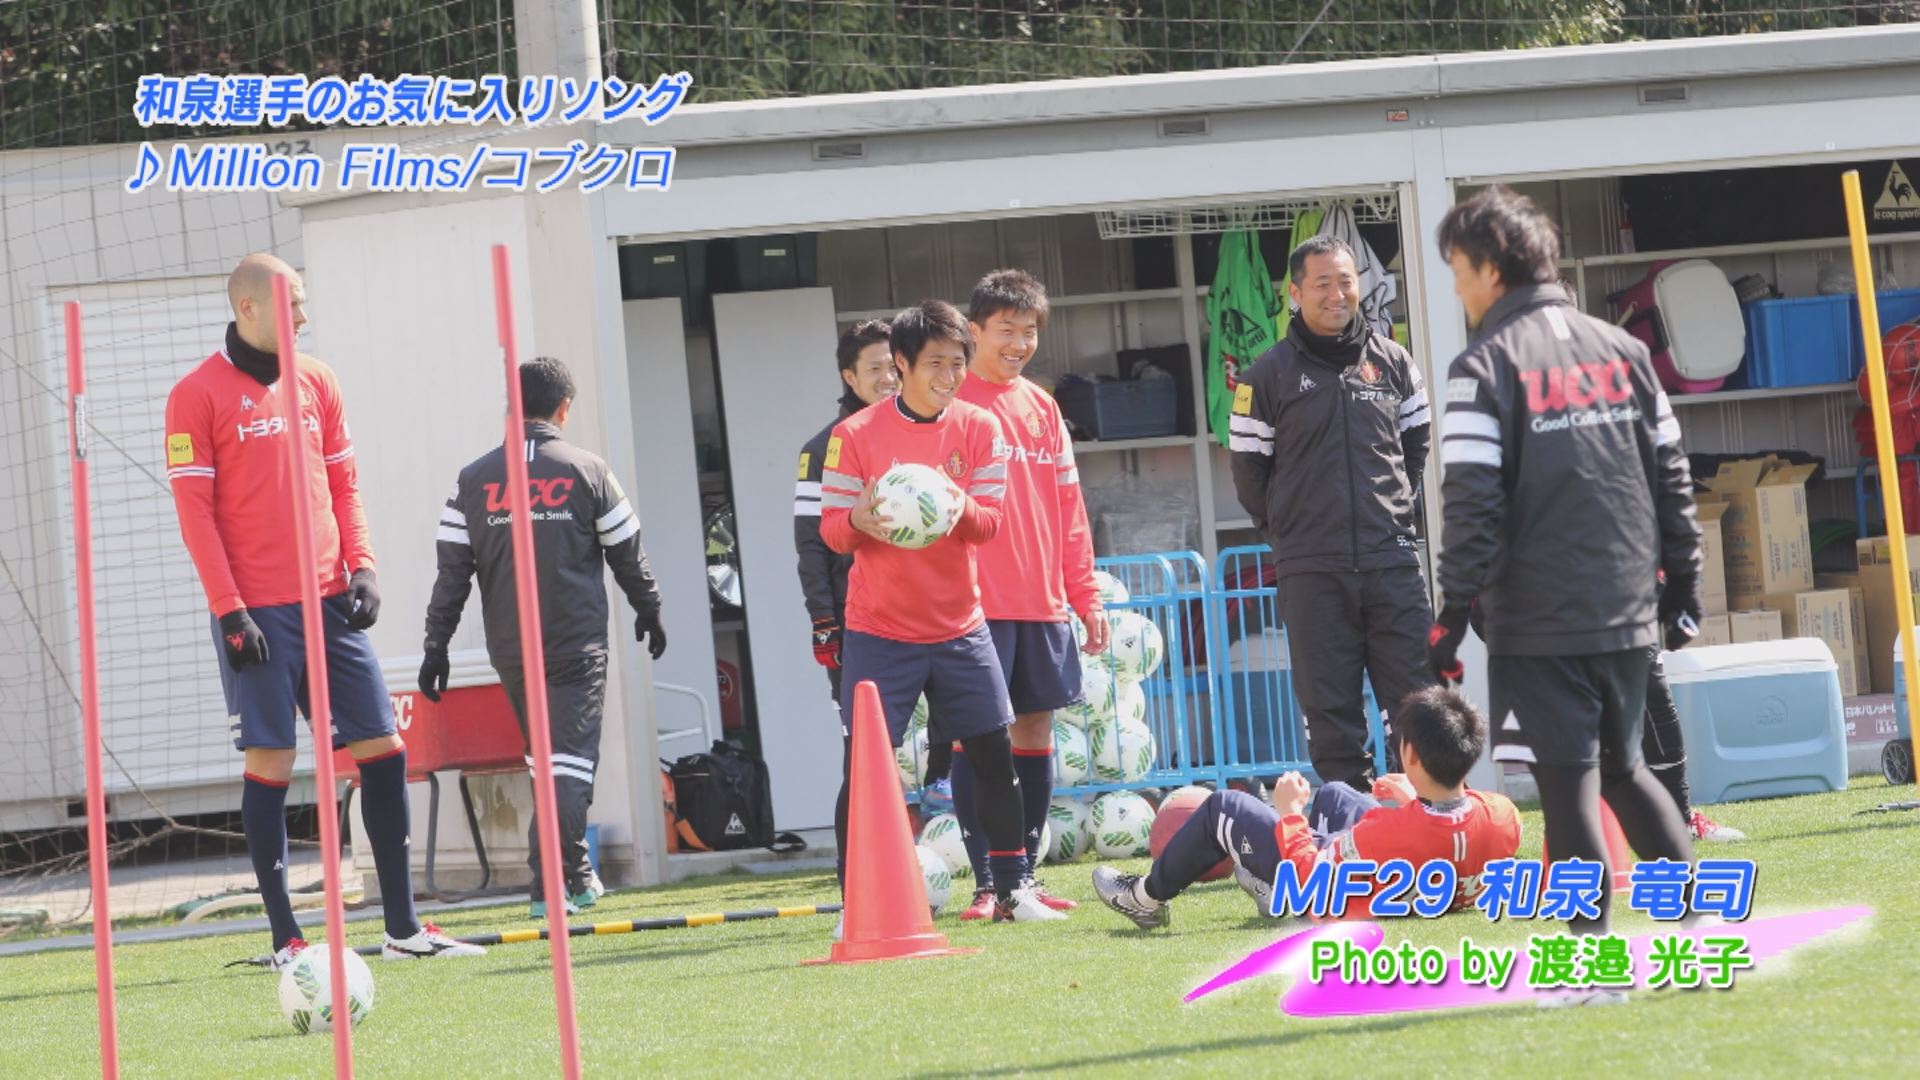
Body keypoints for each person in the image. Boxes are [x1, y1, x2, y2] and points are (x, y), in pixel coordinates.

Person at [165, 253, 481, 967]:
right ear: (248, 309)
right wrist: (229, 610)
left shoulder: (319, 380)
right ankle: (288, 941)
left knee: (384, 749)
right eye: (292, 304)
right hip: (256, 614)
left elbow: (345, 484)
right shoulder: (195, 395)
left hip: (330, 603)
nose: (305, 317)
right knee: (272, 762)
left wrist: (362, 564)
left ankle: (403, 931)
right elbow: (196, 516)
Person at [1426, 187, 1700, 960]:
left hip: (1538, 618)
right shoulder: (1626, 352)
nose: (1457, 287)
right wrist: (1684, 590)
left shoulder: (1482, 367)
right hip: (1626, 608)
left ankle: (1592, 962)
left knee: (1568, 782)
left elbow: (1471, 502)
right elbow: (1673, 478)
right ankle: (1699, 923)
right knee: (1625, 770)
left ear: (1491, 269)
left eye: (1457, 269)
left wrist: (1451, 616)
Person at [819, 300, 1062, 930]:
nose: (949, 377)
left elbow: (990, 524)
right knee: (865, 770)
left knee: (993, 758)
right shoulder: (854, 435)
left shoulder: (980, 428)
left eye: (957, 363)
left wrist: (956, 504)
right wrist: (859, 519)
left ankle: (1013, 889)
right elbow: (832, 532)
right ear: (901, 364)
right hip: (880, 630)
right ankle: (856, 904)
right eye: (935, 364)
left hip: (960, 627)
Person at [419, 356, 668, 919]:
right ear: (564, 408)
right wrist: (650, 609)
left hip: (512, 650)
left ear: (511, 407)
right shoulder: (589, 470)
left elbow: (451, 573)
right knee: (570, 764)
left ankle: (574, 877)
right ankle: (548, 883)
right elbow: (629, 554)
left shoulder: (472, 479)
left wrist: (436, 645)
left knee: (546, 762)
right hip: (575, 644)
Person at [1228, 235, 1434, 792]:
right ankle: (1352, 822)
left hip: (1391, 561)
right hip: (1312, 569)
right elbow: (1248, 473)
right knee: (1331, 711)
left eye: (1346, 281)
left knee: (1419, 703)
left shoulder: (1394, 362)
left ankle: (1425, 818)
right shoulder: (1265, 376)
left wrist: (1390, 511)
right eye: (1323, 284)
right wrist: (1290, 535)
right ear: (1295, 293)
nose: (1337, 294)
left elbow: (1415, 447)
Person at [945, 269, 1110, 920]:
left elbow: (1069, 509)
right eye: (1005, 330)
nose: (1018, 344)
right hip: (972, 606)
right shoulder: (951, 404)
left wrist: (1084, 594)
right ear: (974, 330)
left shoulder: (1043, 408)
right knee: (978, 738)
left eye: (1029, 332)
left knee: (1035, 730)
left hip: (1041, 602)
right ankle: (989, 883)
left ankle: (1027, 880)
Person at [1091, 686, 1519, 926]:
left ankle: (1143, 898)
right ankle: (1269, 889)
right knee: (1335, 794)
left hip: (1344, 884)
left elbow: (1313, 880)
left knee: (1225, 807)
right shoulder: (1504, 815)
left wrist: (1290, 813)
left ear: (1411, 757)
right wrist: (1414, 799)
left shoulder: (1386, 833)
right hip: (1409, 873)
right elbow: (1448, 831)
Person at [793, 320, 954, 884]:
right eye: (874, 369)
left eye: (893, 366)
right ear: (849, 377)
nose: (888, 378)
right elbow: (811, 544)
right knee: (863, 757)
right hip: (858, 624)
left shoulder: (928, 429)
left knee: (958, 733)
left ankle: (970, 860)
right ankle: (853, 881)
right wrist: (824, 622)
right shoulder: (824, 448)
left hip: (935, 617)